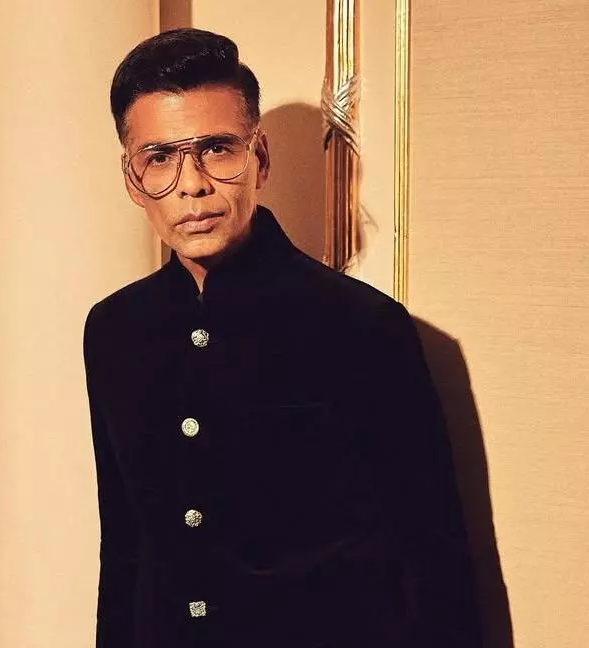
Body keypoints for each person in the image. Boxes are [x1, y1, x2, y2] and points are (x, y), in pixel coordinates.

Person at [83, 27, 482, 648]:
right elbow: (126, 548)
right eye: (159, 158)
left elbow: (433, 563)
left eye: (217, 149)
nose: (192, 185)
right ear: (133, 180)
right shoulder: (114, 330)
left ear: (259, 159)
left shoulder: (362, 326)